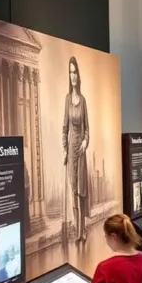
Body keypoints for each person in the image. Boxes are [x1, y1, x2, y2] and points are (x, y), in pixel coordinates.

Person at [62, 56, 91, 243]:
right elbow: (64, 127)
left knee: (81, 191)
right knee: (73, 190)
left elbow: (87, 128)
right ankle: (77, 231)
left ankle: (83, 230)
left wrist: (85, 141)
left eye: (75, 72)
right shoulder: (67, 99)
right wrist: (64, 149)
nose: (73, 76)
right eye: (70, 72)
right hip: (71, 150)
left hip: (81, 150)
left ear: (78, 75)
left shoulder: (83, 100)